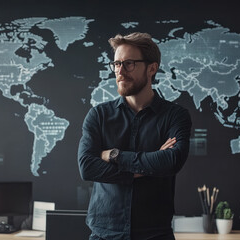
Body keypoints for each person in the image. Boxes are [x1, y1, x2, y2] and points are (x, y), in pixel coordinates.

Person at [78, 32, 192, 240]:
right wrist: (147, 166)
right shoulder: (99, 115)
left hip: (155, 235)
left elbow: (171, 160)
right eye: (116, 64)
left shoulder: (175, 116)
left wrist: (113, 155)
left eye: (129, 63)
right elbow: (87, 166)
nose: (120, 71)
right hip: (104, 235)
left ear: (152, 68)